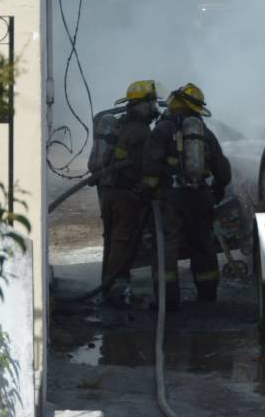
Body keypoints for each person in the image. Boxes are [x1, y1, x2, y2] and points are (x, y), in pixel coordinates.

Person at [142, 83, 231, 310]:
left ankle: (168, 301)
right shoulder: (203, 132)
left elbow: (150, 165)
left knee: (166, 248)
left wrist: (149, 191)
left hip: (170, 198)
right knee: (202, 245)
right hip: (201, 196)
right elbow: (222, 170)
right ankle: (207, 295)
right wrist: (218, 187)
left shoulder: (162, 130)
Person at [87, 79, 159, 308]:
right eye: (152, 103)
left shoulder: (122, 125)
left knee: (111, 240)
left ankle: (109, 287)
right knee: (123, 241)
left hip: (109, 192)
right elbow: (144, 166)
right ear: (143, 105)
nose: (154, 108)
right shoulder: (140, 131)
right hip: (125, 195)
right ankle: (116, 290)